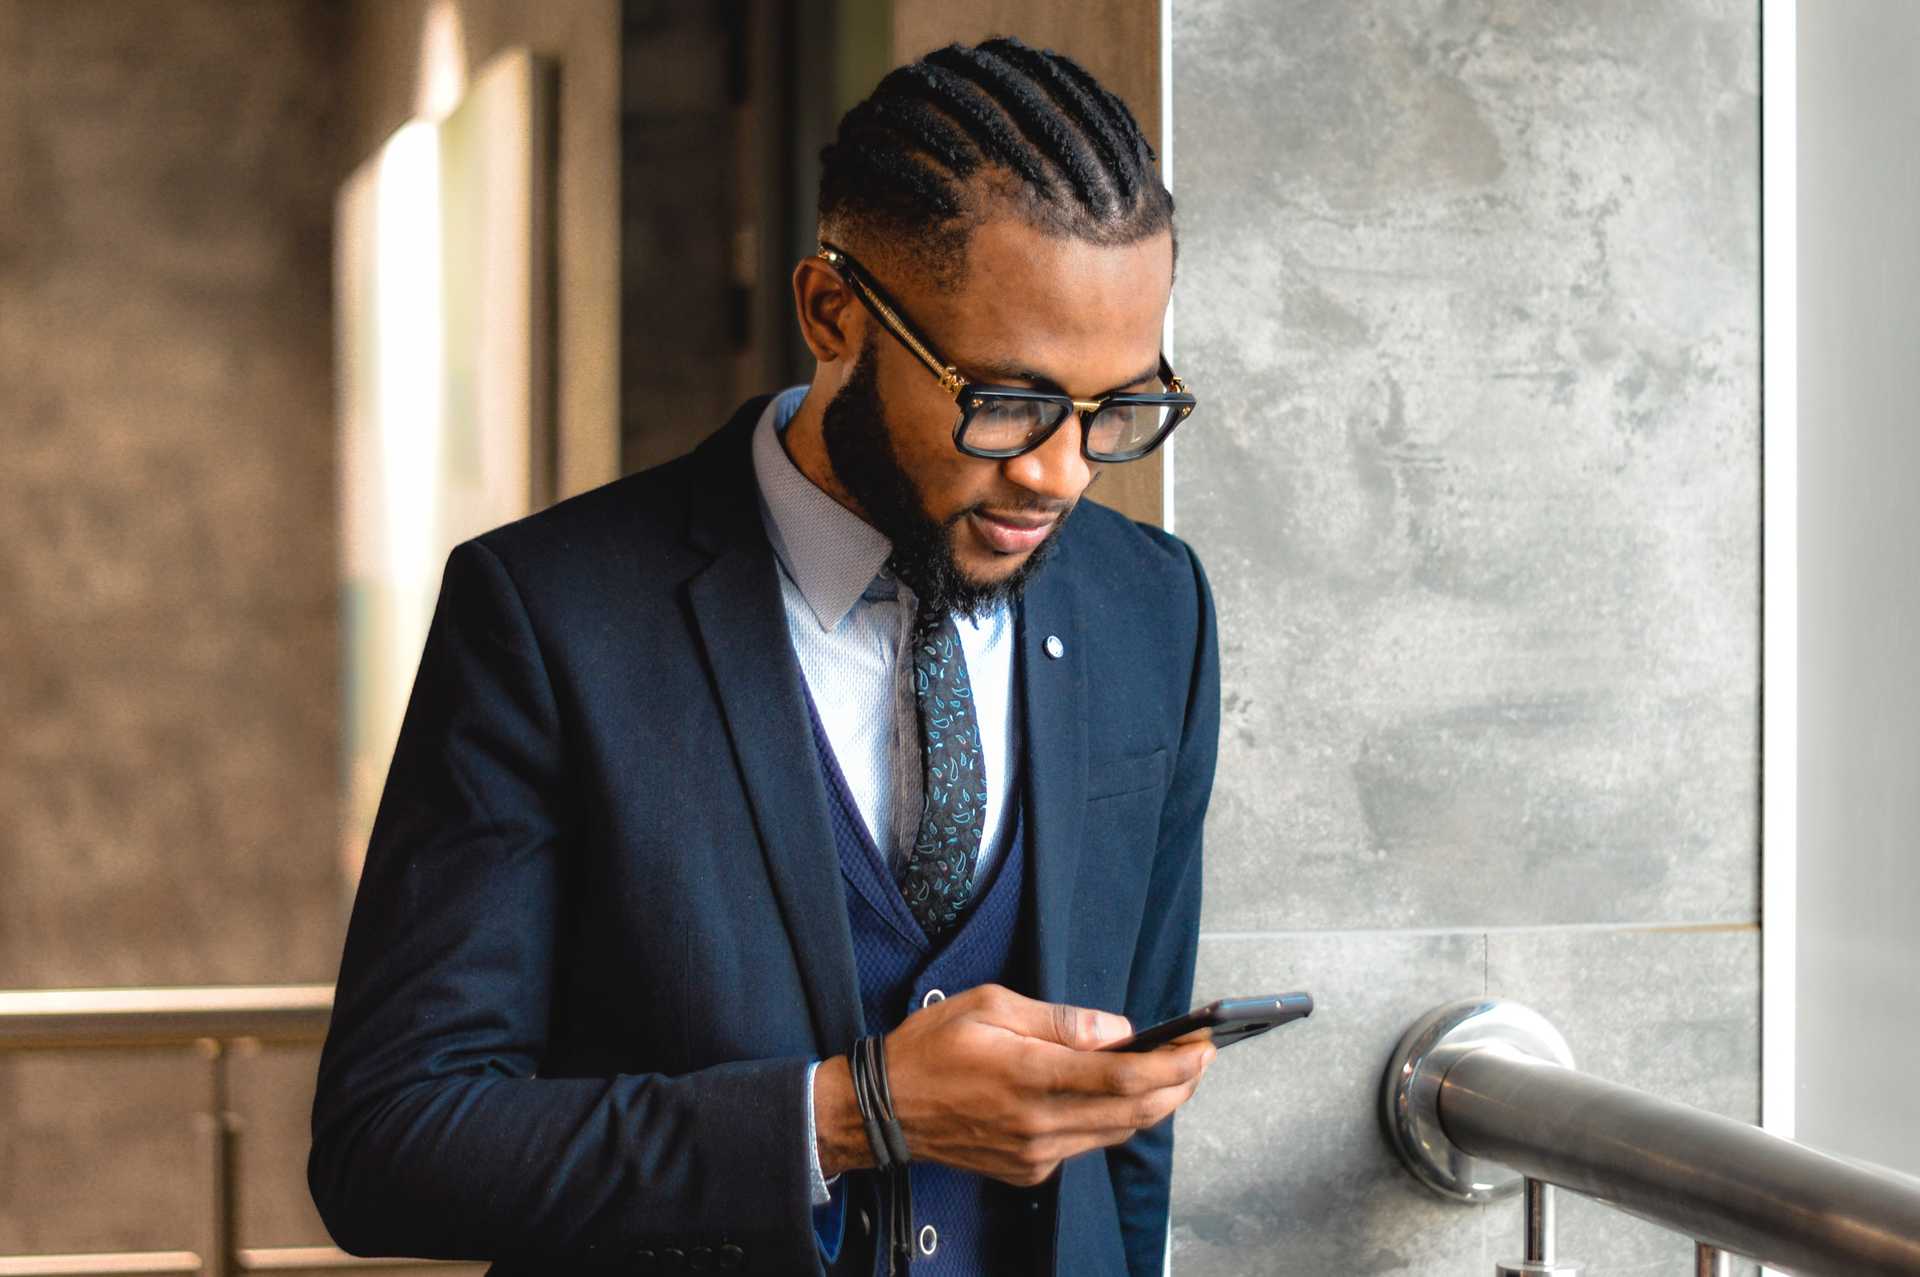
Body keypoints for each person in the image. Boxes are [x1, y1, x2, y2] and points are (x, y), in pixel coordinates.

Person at [310, 35, 1221, 1277]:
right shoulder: (547, 614)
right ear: (831, 312)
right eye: (1004, 399)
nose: (1058, 471)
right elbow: (389, 1144)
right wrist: (847, 1115)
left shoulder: (1152, 609)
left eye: (1116, 407)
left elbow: (1128, 1141)